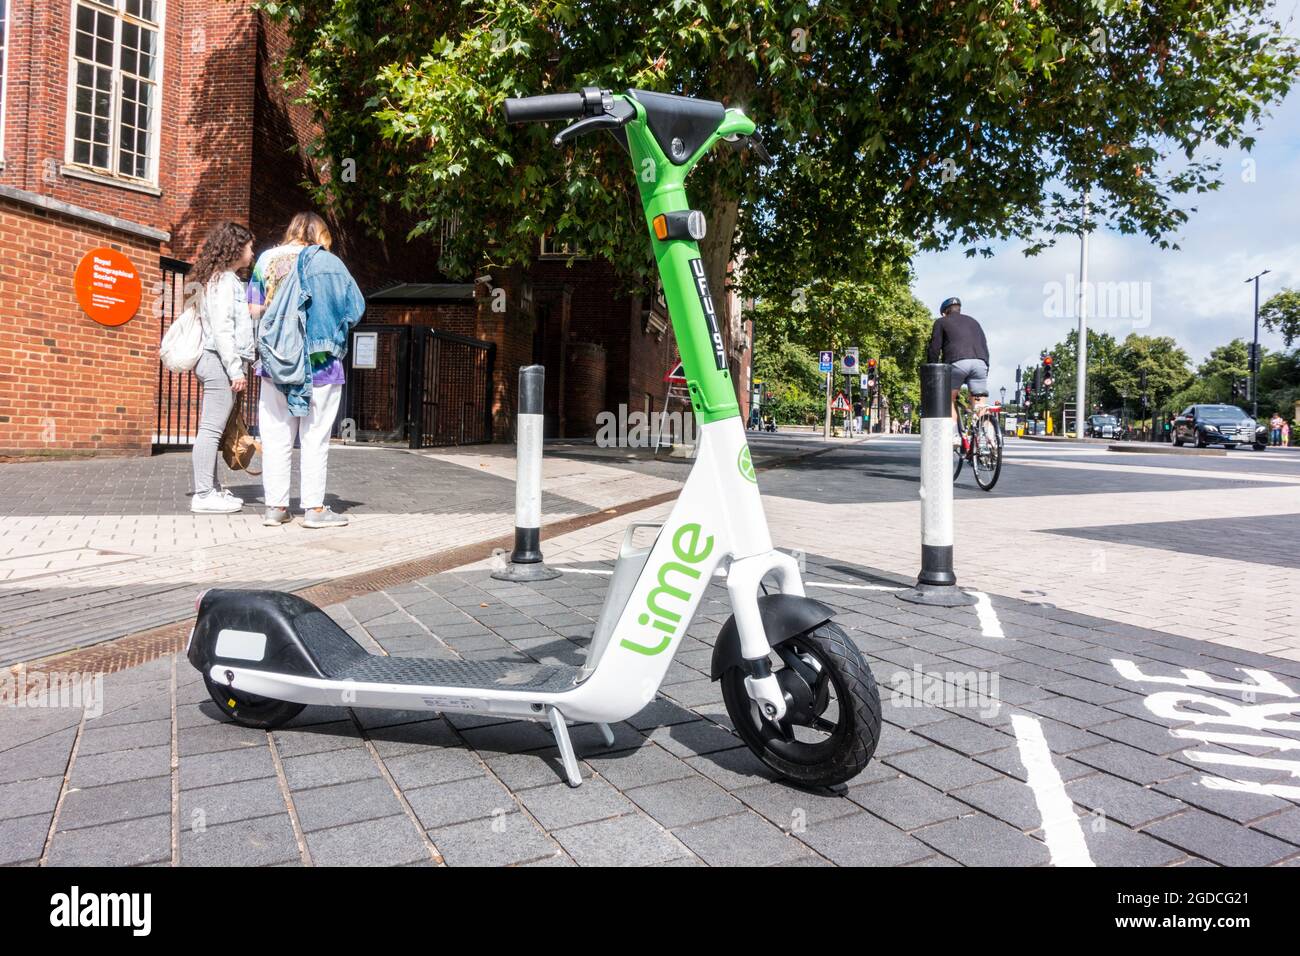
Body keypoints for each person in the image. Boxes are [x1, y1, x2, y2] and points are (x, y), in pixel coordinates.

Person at [248, 212, 365, 529]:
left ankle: (276, 507)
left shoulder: (267, 259)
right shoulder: (331, 264)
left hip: (277, 364)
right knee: (315, 438)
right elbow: (356, 309)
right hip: (321, 364)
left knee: (275, 438)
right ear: (322, 234)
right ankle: (314, 510)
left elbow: (254, 308)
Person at [189, 222, 256, 514]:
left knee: (213, 428)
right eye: (250, 246)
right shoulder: (224, 281)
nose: (252, 253)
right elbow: (222, 329)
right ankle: (203, 495)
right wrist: (235, 369)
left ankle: (211, 490)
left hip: (218, 361)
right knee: (211, 429)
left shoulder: (221, 280)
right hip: (218, 361)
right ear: (236, 248)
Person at [926, 296, 990, 444]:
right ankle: (987, 436)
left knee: (948, 399)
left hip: (957, 363)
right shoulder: (974, 322)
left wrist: (932, 369)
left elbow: (934, 348)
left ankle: (954, 435)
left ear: (944, 313)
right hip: (981, 363)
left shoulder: (941, 322)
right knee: (979, 403)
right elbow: (985, 345)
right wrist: (986, 368)